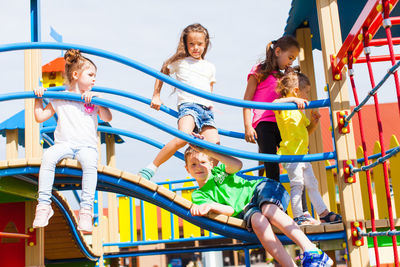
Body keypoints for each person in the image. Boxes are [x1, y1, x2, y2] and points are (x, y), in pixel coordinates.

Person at [186, 136, 333, 266]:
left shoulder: (220, 172)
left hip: (261, 188)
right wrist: (210, 206)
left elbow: (237, 165)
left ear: (212, 164)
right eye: (193, 164)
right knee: (258, 222)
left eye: (203, 162)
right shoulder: (199, 196)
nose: (199, 167)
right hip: (246, 209)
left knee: (268, 209)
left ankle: (311, 250)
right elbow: (230, 210)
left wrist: (208, 151)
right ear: (187, 169)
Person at [32, 49, 112, 232]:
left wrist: (101, 101)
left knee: (90, 163)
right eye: (90, 75)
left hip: (87, 146)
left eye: (95, 76)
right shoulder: (60, 98)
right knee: (48, 157)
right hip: (64, 144)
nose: (94, 79)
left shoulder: (92, 98)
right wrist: (38, 98)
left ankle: (86, 211)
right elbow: (40, 116)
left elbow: (107, 118)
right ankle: (43, 206)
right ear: (76, 75)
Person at [242, 35, 315, 223]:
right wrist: (248, 125)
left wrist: (290, 75)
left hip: (282, 123)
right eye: (290, 57)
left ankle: (302, 212)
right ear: (277, 52)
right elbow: (247, 100)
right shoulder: (259, 71)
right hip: (263, 122)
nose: (290, 62)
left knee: (296, 164)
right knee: (271, 167)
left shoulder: (284, 77)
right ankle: (277, 211)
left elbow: (295, 91)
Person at [138, 23, 220, 180]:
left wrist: (211, 103)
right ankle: (151, 168)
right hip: (189, 106)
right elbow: (162, 72)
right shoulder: (180, 62)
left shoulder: (210, 66)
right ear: (185, 44)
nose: (196, 47)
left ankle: (213, 180)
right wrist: (156, 95)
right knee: (183, 137)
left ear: (206, 43)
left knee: (215, 144)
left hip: (206, 110)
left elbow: (209, 86)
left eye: (200, 44)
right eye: (191, 44)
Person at [273, 70, 342, 225]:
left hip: (303, 155)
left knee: (312, 184)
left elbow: (306, 131)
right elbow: (273, 104)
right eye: (306, 93)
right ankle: (298, 215)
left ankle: (323, 213)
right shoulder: (283, 108)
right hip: (290, 155)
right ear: (296, 91)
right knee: (297, 184)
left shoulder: (299, 112)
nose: (307, 97)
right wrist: (291, 99)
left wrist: (314, 124)